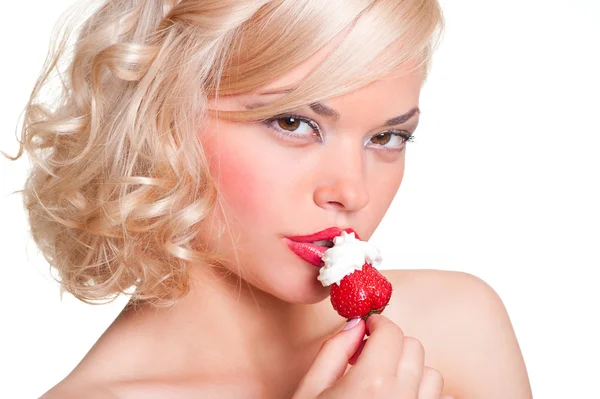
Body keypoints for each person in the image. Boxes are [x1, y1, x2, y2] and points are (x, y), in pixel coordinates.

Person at [7, 0, 532, 397]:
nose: (352, 191)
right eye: (293, 123)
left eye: (387, 138)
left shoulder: (458, 325)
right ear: (161, 120)